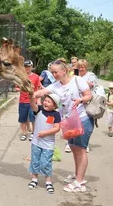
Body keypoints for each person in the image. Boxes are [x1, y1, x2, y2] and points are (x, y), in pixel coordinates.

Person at [33, 58, 93, 193]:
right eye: (52, 73)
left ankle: (79, 182)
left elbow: (88, 95)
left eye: (56, 72)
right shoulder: (56, 85)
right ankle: (78, 175)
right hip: (69, 122)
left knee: (80, 149)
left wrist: (81, 99)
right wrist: (29, 93)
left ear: (64, 70)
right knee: (73, 147)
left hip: (82, 119)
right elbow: (41, 93)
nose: (54, 75)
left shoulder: (77, 80)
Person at [27, 93, 61, 194]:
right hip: (36, 142)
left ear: (54, 105)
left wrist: (45, 133)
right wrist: (31, 96)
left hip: (48, 144)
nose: (45, 102)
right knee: (35, 161)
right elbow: (33, 105)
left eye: (49, 101)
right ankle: (34, 180)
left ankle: (48, 182)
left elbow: (57, 128)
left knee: (46, 163)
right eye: (45, 100)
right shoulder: (40, 109)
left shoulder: (56, 114)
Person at [15, 60, 42, 141]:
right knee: (22, 118)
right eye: (25, 67)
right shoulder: (20, 77)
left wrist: (39, 100)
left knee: (33, 118)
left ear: (31, 67)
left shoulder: (36, 77)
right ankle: (24, 133)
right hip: (23, 101)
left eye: (28, 66)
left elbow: (38, 88)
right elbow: (16, 87)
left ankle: (33, 133)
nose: (27, 68)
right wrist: (22, 90)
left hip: (32, 101)